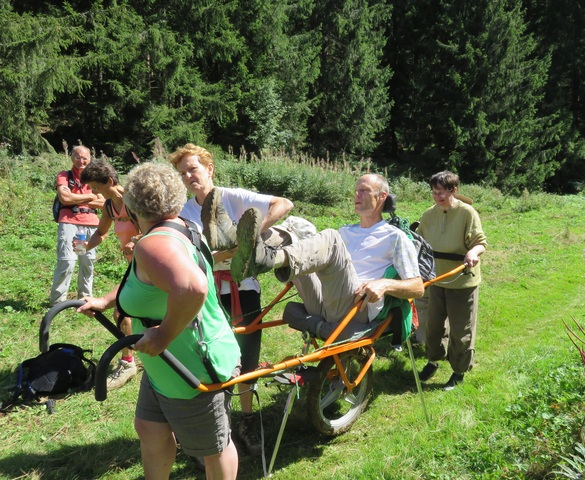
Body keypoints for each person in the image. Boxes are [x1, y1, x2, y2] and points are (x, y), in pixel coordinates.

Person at [78, 162, 241, 480]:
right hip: (166, 365)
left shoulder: (153, 244)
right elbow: (145, 282)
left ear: (133, 204)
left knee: (213, 448)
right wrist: (105, 300)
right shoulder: (181, 227)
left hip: (190, 366)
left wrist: (164, 335)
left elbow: (192, 286)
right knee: (150, 429)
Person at [168, 143, 294, 456]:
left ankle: (248, 419)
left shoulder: (233, 195)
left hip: (243, 287)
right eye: (183, 173)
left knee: (247, 358)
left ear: (209, 169)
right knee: (209, 356)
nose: (188, 177)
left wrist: (250, 236)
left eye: (193, 169)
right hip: (207, 292)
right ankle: (217, 420)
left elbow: (284, 203)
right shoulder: (184, 212)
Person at [230, 173, 425, 341]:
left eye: (363, 190)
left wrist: (384, 284)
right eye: (356, 190)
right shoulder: (346, 231)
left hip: (354, 309)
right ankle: (239, 245)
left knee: (331, 238)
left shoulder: (394, 237)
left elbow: (417, 287)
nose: (356, 194)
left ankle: (267, 258)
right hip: (323, 302)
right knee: (296, 226)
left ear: (382, 196)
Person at [415, 170, 487, 391]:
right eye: (434, 193)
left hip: (462, 281)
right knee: (433, 325)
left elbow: (480, 242)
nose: (437, 197)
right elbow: (419, 241)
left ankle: (458, 371)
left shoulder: (467, 213)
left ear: (454, 190)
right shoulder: (429, 215)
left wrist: (473, 253)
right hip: (437, 279)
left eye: (441, 193)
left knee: (461, 329)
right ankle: (433, 361)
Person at [80, 160, 142, 390]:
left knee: (121, 309)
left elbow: (153, 228)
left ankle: (128, 363)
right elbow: (101, 232)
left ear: (109, 181)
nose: (93, 192)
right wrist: (83, 247)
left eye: (95, 187)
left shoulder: (133, 201)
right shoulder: (109, 207)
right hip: (134, 265)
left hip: (149, 264)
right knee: (128, 311)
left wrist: (136, 240)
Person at [50, 145, 105, 306]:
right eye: (78, 157)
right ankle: (58, 302)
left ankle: (85, 298)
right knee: (67, 260)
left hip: (91, 223)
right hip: (69, 221)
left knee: (87, 261)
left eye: (85, 158)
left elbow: (102, 202)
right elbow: (65, 199)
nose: (81, 161)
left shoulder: (95, 178)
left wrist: (76, 196)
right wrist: (89, 197)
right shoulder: (64, 175)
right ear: (72, 157)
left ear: (90, 159)